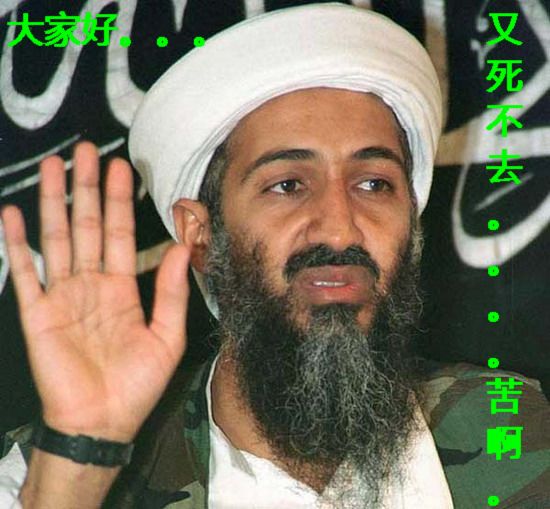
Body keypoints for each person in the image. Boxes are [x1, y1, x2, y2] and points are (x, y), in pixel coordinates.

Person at [0, 4, 548, 509]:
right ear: (201, 236)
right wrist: (82, 455)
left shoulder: (521, 432)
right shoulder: (39, 475)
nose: (339, 227)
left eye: (374, 183)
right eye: (287, 185)